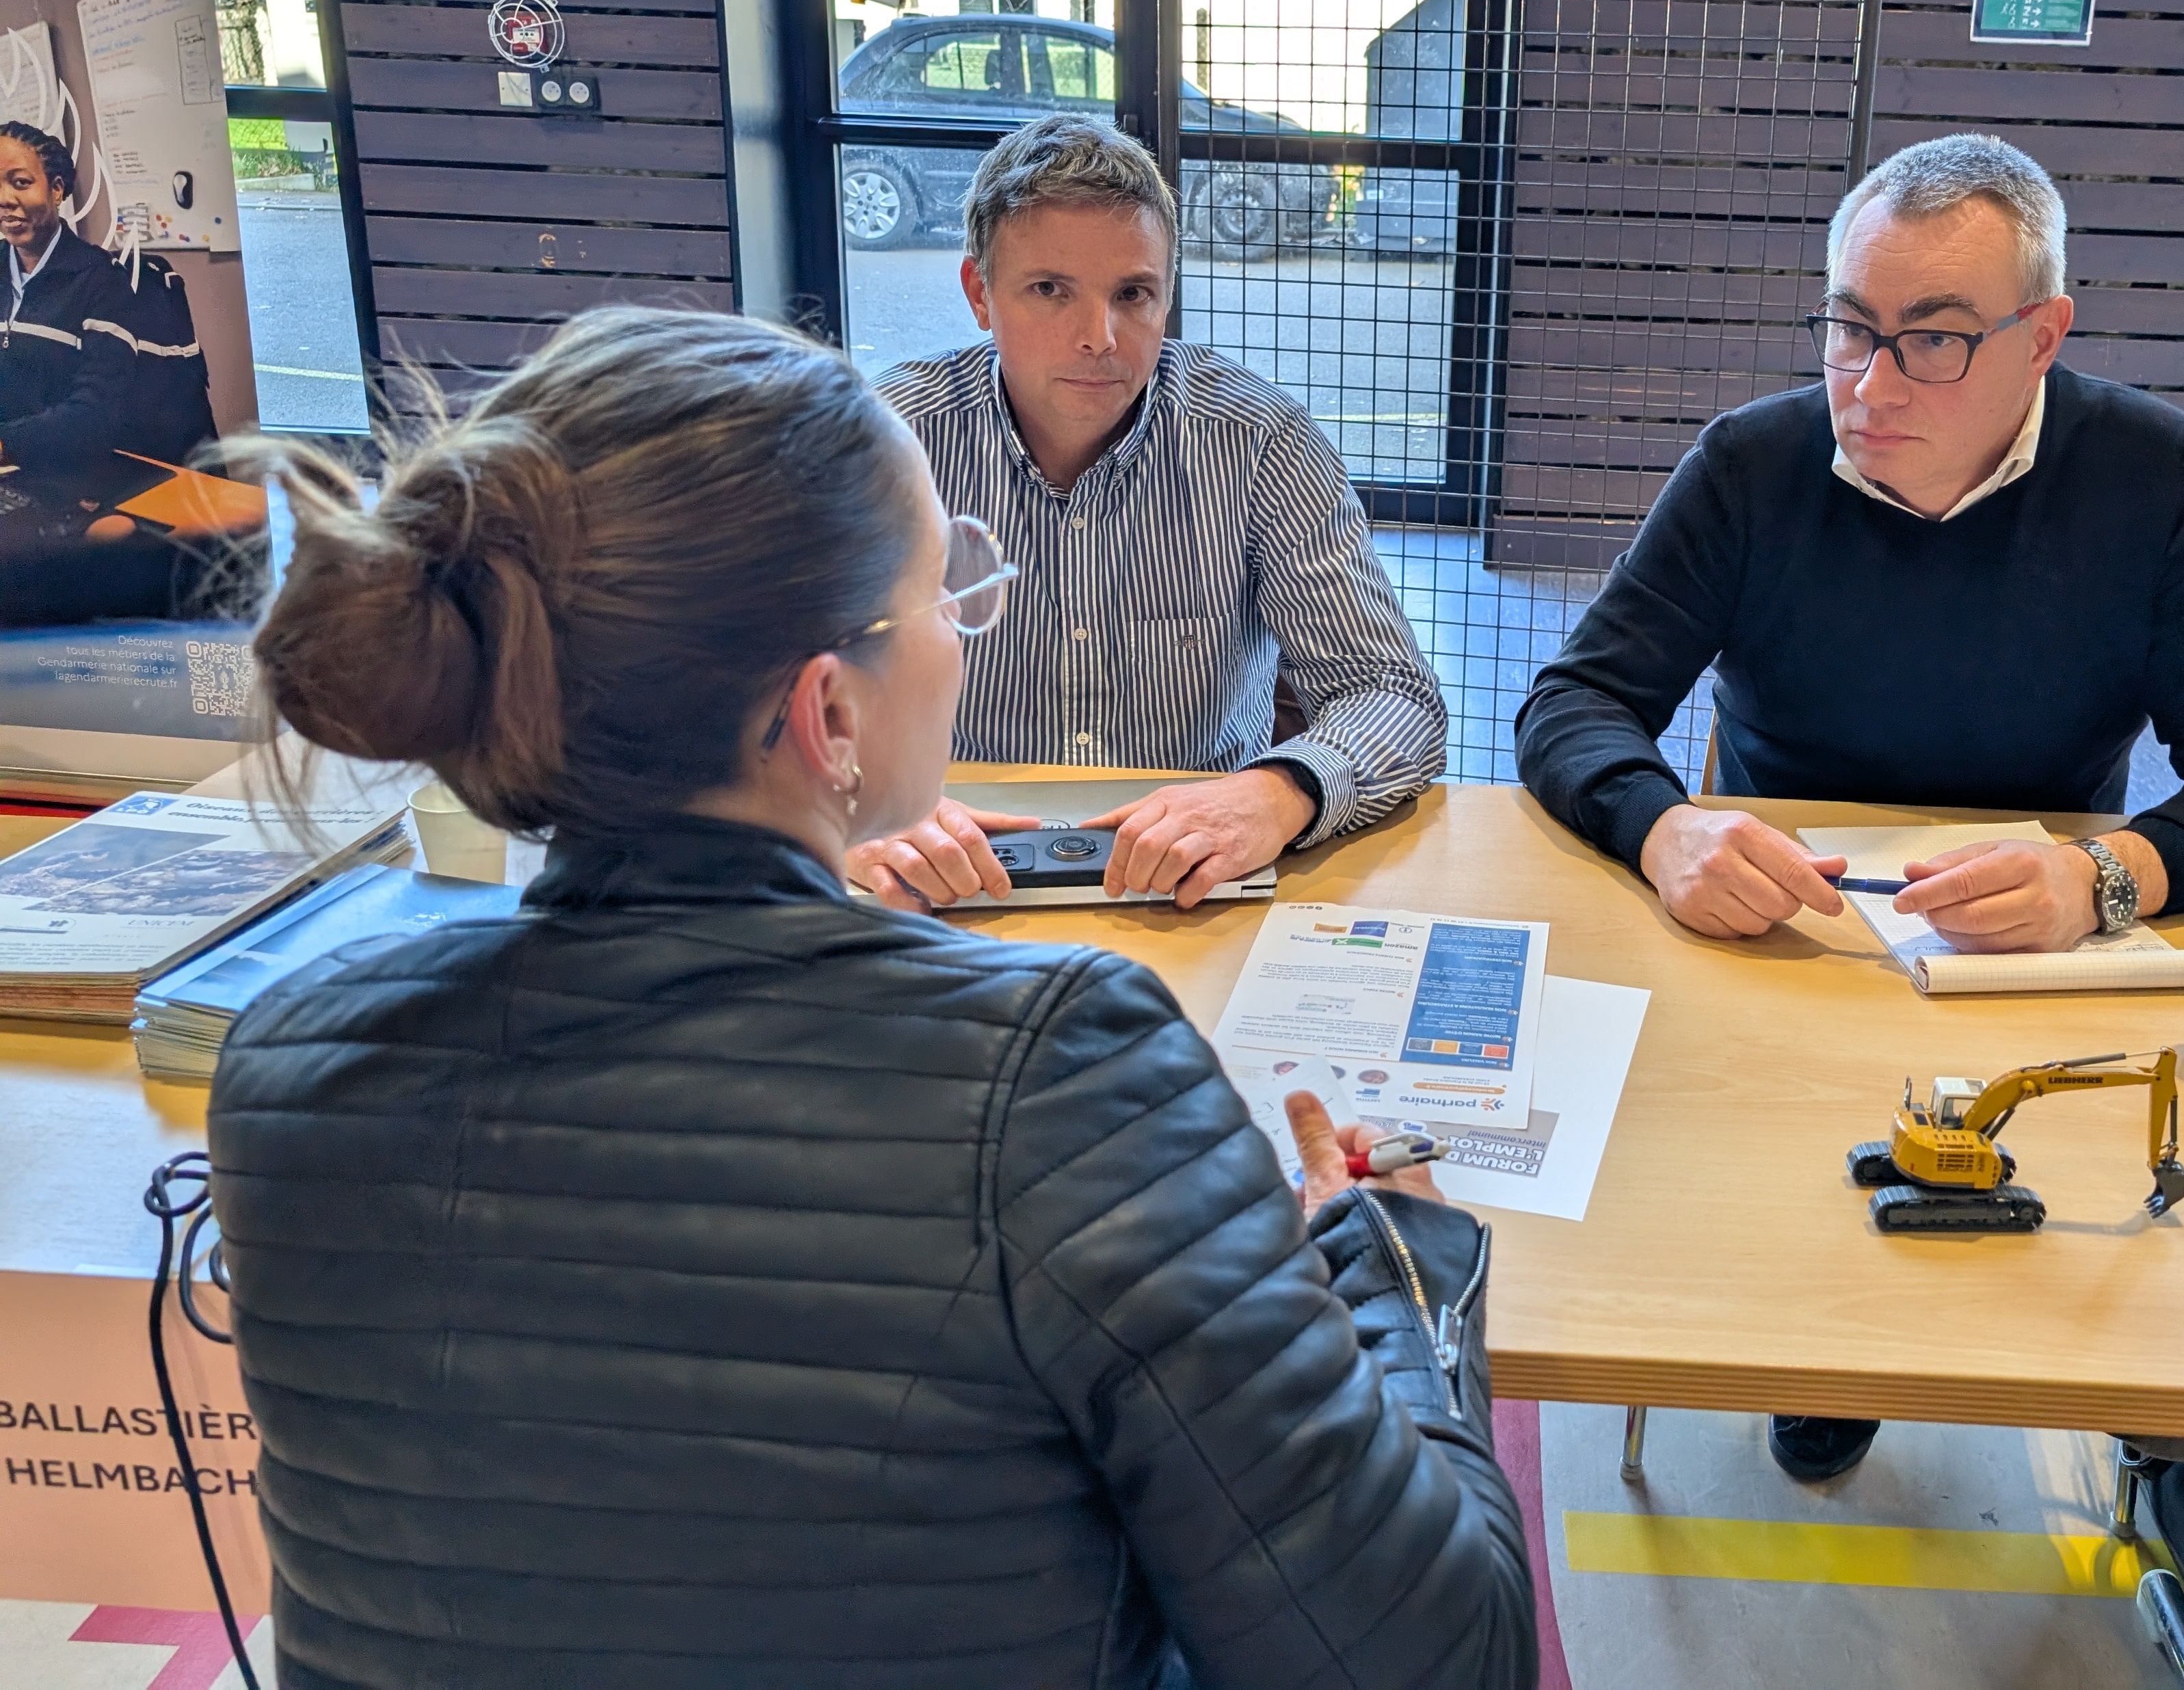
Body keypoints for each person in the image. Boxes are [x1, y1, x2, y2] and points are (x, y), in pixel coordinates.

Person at [207, 307, 1535, 1689]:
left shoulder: (288, 1062)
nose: (963, 640)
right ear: (827, 713)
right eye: (940, 594)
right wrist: (1394, 1266)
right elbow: (1439, 1660)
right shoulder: (1059, 1078)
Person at [1518, 131, 2184, 1486]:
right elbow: (1576, 704)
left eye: (1934, 339)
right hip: (1794, 937)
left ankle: (2084, 1359)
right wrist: (1669, 828)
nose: (1871, 381)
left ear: (2043, 338)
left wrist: (2109, 881)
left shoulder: (2160, 479)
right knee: (1780, 1213)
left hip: (2039, 947)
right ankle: (1830, 1352)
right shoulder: (1752, 466)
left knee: (2140, 1278)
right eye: (1851, 326)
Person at [862, 114, 1446, 912]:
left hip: (1196, 876)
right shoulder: (881, 442)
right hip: (944, 864)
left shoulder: (1259, 441)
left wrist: (1278, 794)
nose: (1100, 338)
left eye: (1133, 294)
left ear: (1167, 296)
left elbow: (1393, 693)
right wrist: (855, 809)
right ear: (980, 295)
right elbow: (758, 682)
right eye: (1049, 291)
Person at [0, 118, 215, 509]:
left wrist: (7, 444)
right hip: (15, 480)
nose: (4, 198)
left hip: (80, 487)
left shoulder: (105, 282)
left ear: (58, 189)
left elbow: (93, 415)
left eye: (20, 183)